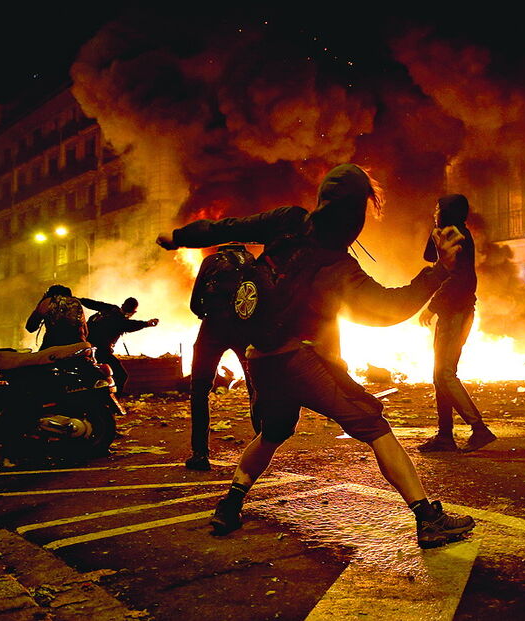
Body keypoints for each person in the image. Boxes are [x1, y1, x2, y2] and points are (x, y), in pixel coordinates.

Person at [156, 163, 475, 549]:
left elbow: (228, 227)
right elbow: (390, 308)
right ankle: (428, 518)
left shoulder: (287, 220)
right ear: (356, 213)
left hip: (260, 359)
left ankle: (231, 501)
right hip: (301, 360)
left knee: (273, 432)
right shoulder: (338, 266)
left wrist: (178, 237)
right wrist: (439, 270)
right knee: (375, 426)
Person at [417, 194, 496, 453]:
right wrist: (434, 229)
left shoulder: (458, 235)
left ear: (449, 211)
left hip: (457, 313)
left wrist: (433, 305)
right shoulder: (447, 233)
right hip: (452, 314)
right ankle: (444, 436)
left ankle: (479, 429)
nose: (435, 211)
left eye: (439, 208)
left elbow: (458, 277)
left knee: (445, 374)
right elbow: (430, 257)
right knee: (440, 376)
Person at [185, 243, 257, 471]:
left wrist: (206, 315)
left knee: (199, 390)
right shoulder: (252, 261)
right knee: (256, 388)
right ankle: (261, 447)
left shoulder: (211, 261)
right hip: (244, 330)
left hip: (212, 328)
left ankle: (200, 454)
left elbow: (195, 302)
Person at [79, 297, 159, 396]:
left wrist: (79, 300)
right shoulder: (120, 321)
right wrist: (147, 323)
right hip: (100, 351)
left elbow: (94, 304)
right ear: (133, 312)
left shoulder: (110, 308)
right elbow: (132, 325)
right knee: (121, 376)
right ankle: (114, 400)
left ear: (122, 305)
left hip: (85, 346)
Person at [25, 285, 88, 350]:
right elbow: (85, 331)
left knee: (39, 358)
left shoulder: (47, 302)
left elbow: (30, 327)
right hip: (78, 347)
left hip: (53, 348)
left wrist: (41, 303)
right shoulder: (76, 302)